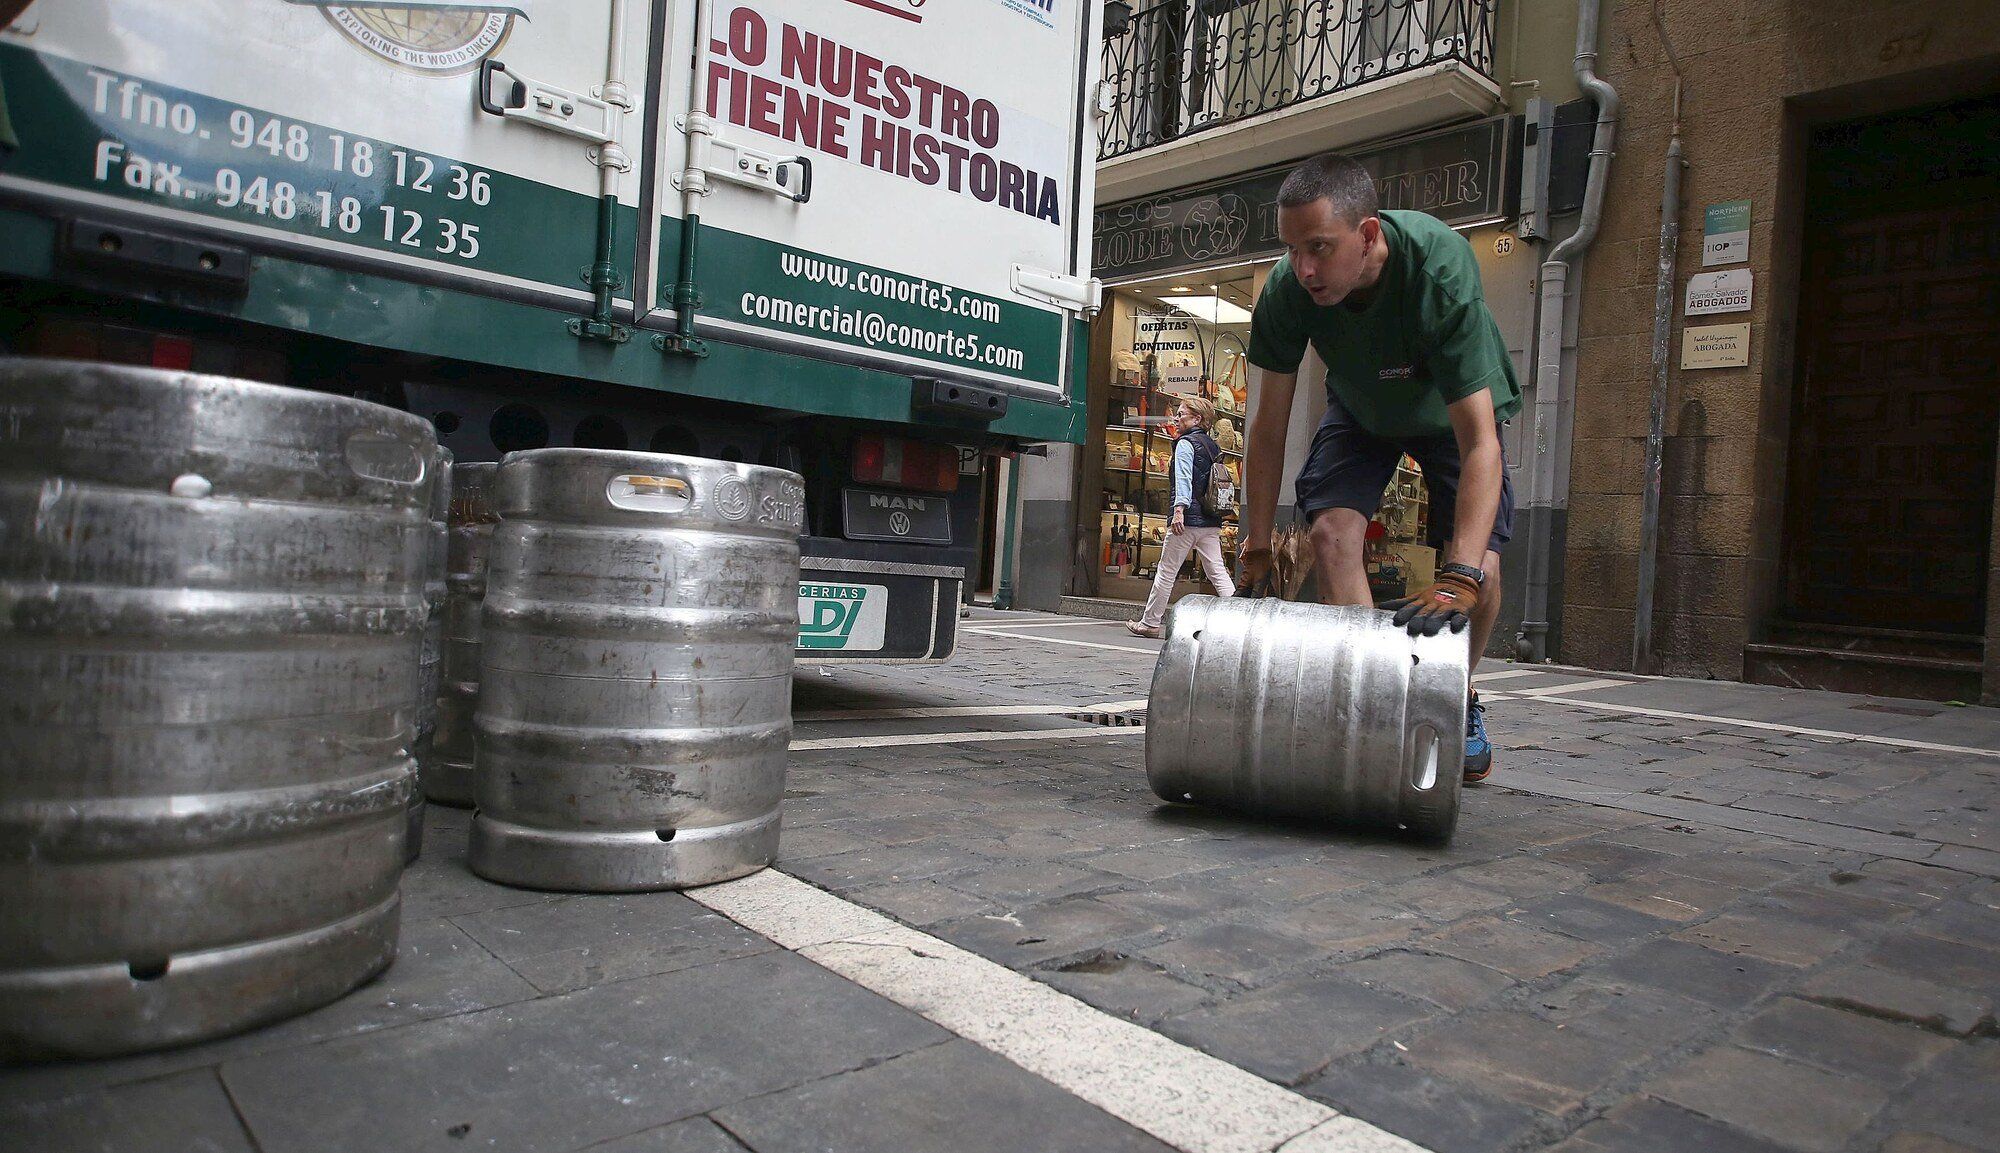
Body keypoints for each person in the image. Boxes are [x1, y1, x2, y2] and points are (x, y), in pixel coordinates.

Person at [1237, 152, 1521, 784]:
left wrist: (1462, 575)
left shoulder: (1440, 269)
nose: (1304, 269)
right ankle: (1376, 704)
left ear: (1366, 236)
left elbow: (1480, 443)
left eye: (1318, 247)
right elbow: (1268, 426)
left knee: (1485, 566)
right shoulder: (1288, 291)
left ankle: (1457, 699)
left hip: (1450, 416)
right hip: (1363, 410)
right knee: (1330, 534)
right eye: (1292, 250)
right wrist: (1256, 541)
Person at [1128, 397, 1236, 638]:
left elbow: (1184, 479)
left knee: (1166, 572)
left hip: (1186, 521)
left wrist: (1179, 510)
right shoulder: (1212, 447)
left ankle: (1150, 622)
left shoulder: (1186, 444)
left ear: (1197, 419)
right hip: (1210, 520)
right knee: (1217, 571)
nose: (1176, 418)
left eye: (1182, 414)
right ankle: (1238, 619)